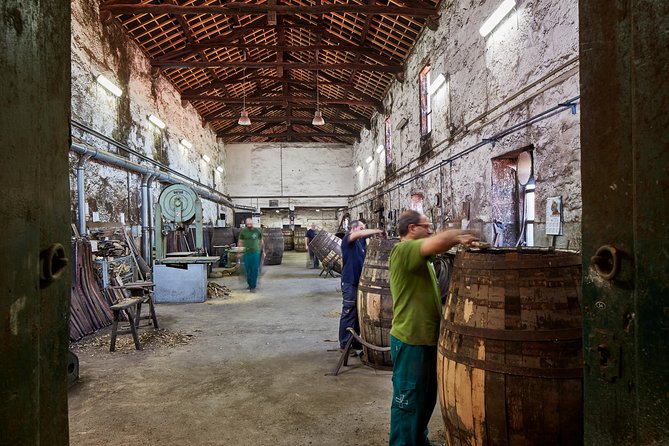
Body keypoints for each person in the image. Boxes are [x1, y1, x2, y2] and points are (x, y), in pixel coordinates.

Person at [388, 210, 478, 446]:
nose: (429, 230)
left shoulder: (419, 257)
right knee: (407, 402)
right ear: (411, 229)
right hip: (410, 340)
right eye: (425, 226)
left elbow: (435, 245)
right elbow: (437, 242)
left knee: (425, 399)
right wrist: (460, 235)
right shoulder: (403, 251)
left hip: (425, 339)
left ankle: (418, 440)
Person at [339, 220, 384, 351]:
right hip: (349, 282)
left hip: (359, 282)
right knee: (348, 312)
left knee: (358, 313)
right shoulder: (348, 239)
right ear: (353, 229)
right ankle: (344, 343)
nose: (363, 230)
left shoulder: (360, 242)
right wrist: (377, 230)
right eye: (361, 228)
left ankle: (354, 340)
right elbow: (358, 235)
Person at [237, 218, 264, 292]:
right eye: (248, 224)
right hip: (247, 253)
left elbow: (261, 241)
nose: (249, 225)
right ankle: (250, 284)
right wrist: (239, 252)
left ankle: (253, 286)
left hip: (255, 253)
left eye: (250, 224)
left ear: (252, 223)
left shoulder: (257, 231)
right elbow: (240, 242)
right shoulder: (243, 231)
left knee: (254, 269)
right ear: (246, 224)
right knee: (247, 269)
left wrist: (263, 251)